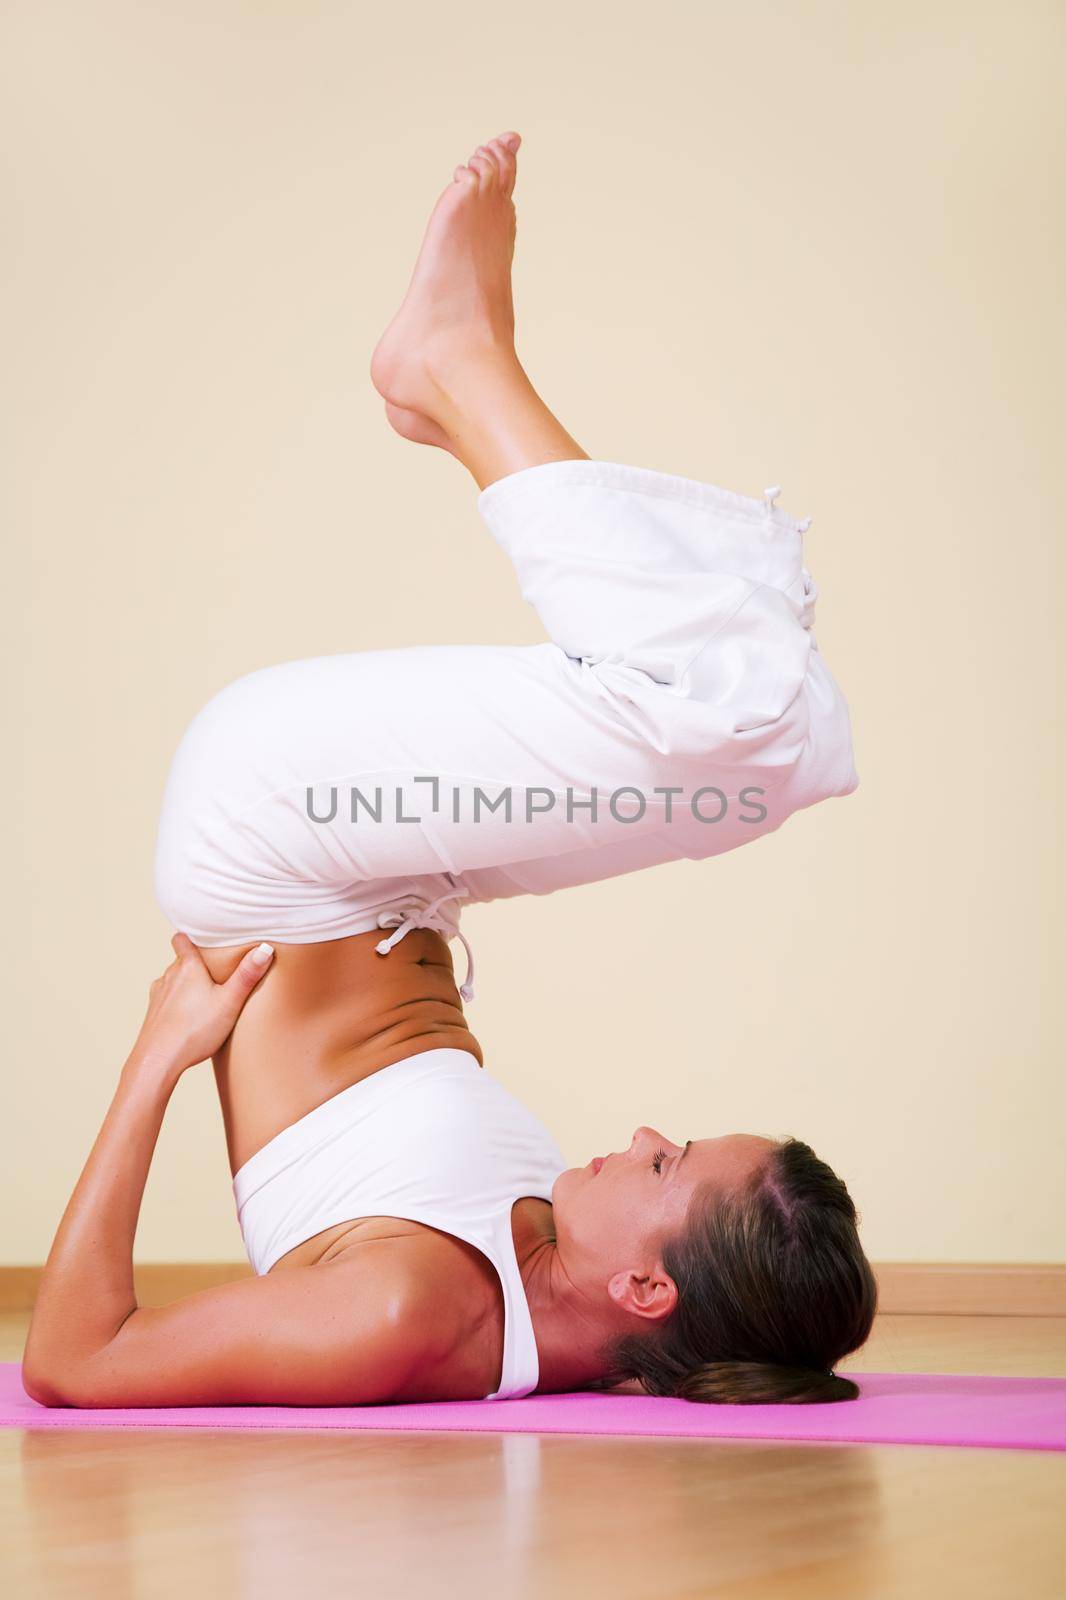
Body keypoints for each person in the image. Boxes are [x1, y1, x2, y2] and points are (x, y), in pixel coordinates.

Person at [23, 131, 876, 1411]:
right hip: (394, 859)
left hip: (281, 830)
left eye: (666, 1167)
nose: (644, 1135)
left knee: (739, 730)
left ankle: (457, 372)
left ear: (650, 1289)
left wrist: (158, 1056)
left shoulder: (404, 1314)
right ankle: (451, 381)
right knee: (770, 754)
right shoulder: (567, 1296)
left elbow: (75, 1362)